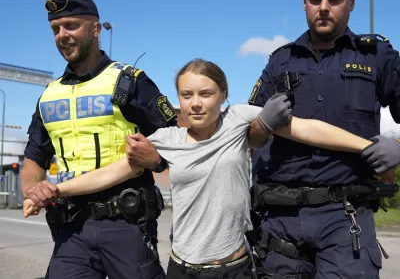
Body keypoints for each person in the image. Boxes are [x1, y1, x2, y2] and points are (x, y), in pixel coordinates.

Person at [24, 59, 395, 279]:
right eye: (187, 95)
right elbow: (110, 173)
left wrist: (368, 147)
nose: (196, 103)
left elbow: (307, 129)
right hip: (181, 268)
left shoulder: (241, 120)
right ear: (178, 99)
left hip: (233, 267)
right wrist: (53, 189)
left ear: (223, 94)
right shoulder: (166, 139)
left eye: (206, 94)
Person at [247, 0, 400, 278]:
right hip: (281, 219)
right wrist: (262, 123)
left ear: (353, 0)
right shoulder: (280, 60)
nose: (324, 8)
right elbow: (251, 138)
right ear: (304, 0)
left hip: (346, 217)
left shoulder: (376, 56)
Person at [20, 0, 177, 279]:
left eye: (71, 25)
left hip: (126, 226)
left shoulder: (129, 82)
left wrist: (156, 160)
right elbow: (33, 159)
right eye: (55, 29)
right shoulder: (48, 95)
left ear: (95, 28)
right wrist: (33, 187)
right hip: (71, 230)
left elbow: (175, 144)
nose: (62, 35)